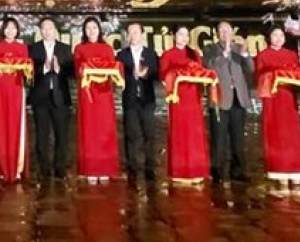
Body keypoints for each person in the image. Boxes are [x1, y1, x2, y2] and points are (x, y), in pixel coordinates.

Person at [255, 26, 300, 187]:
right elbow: (259, 79)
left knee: (292, 135)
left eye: (281, 35)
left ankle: (295, 170)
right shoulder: (263, 55)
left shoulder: (291, 55)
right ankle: (279, 172)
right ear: (269, 38)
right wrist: (274, 76)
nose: (278, 38)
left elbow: (298, 76)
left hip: (289, 100)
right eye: (274, 35)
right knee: (276, 134)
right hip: (273, 100)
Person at [159, 25, 212, 185]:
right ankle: (180, 171)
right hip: (178, 100)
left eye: (186, 35)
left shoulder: (194, 54)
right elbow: (163, 77)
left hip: (193, 99)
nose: (184, 38)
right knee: (179, 133)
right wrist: (177, 74)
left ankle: (197, 170)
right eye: (181, 34)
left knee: (195, 134)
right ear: (174, 36)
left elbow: (201, 72)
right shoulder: (168, 55)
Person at [203, 21, 254, 183]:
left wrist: (246, 55)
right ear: (217, 33)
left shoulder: (238, 49)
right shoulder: (210, 49)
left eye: (228, 30)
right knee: (219, 137)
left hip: (238, 98)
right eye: (222, 31)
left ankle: (238, 170)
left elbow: (251, 68)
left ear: (233, 32)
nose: (225, 34)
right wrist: (224, 53)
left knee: (238, 137)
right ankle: (217, 170)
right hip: (220, 99)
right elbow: (208, 65)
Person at [74, 16, 123, 185]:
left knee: (105, 130)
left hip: (104, 94)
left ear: (100, 30)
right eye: (88, 28)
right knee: (89, 130)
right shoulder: (79, 48)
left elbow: (114, 67)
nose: (91, 31)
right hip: (88, 95)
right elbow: (78, 71)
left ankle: (106, 168)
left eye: (94, 28)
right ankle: (90, 169)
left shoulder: (107, 48)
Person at [0, 18, 33, 183]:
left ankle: (17, 168)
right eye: (7, 28)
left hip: (16, 92)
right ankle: (1, 168)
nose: (10, 31)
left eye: (13, 28)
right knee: (0, 127)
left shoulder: (22, 48)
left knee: (16, 128)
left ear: (17, 30)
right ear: (3, 30)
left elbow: (28, 73)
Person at [28, 17, 74, 180]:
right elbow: (29, 73)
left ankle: (60, 167)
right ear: (40, 31)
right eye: (44, 28)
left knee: (62, 135)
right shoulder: (33, 49)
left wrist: (59, 68)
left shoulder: (65, 49)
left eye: (50, 28)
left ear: (55, 30)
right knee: (41, 135)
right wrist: (45, 68)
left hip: (60, 96)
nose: (47, 31)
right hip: (40, 97)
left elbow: (72, 73)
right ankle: (44, 168)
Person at [117, 23, 159, 183]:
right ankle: (132, 166)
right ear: (127, 36)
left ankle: (150, 167)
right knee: (131, 134)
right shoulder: (122, 55)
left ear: (142, 34)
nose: (134, 35)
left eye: (137, 32)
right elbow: (117, 75)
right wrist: (131, 75)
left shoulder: (150, 53)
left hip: (147, 99)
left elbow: (156, 73)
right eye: (131, 32)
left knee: (149, 134)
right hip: (130, 98)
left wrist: (147, 74)